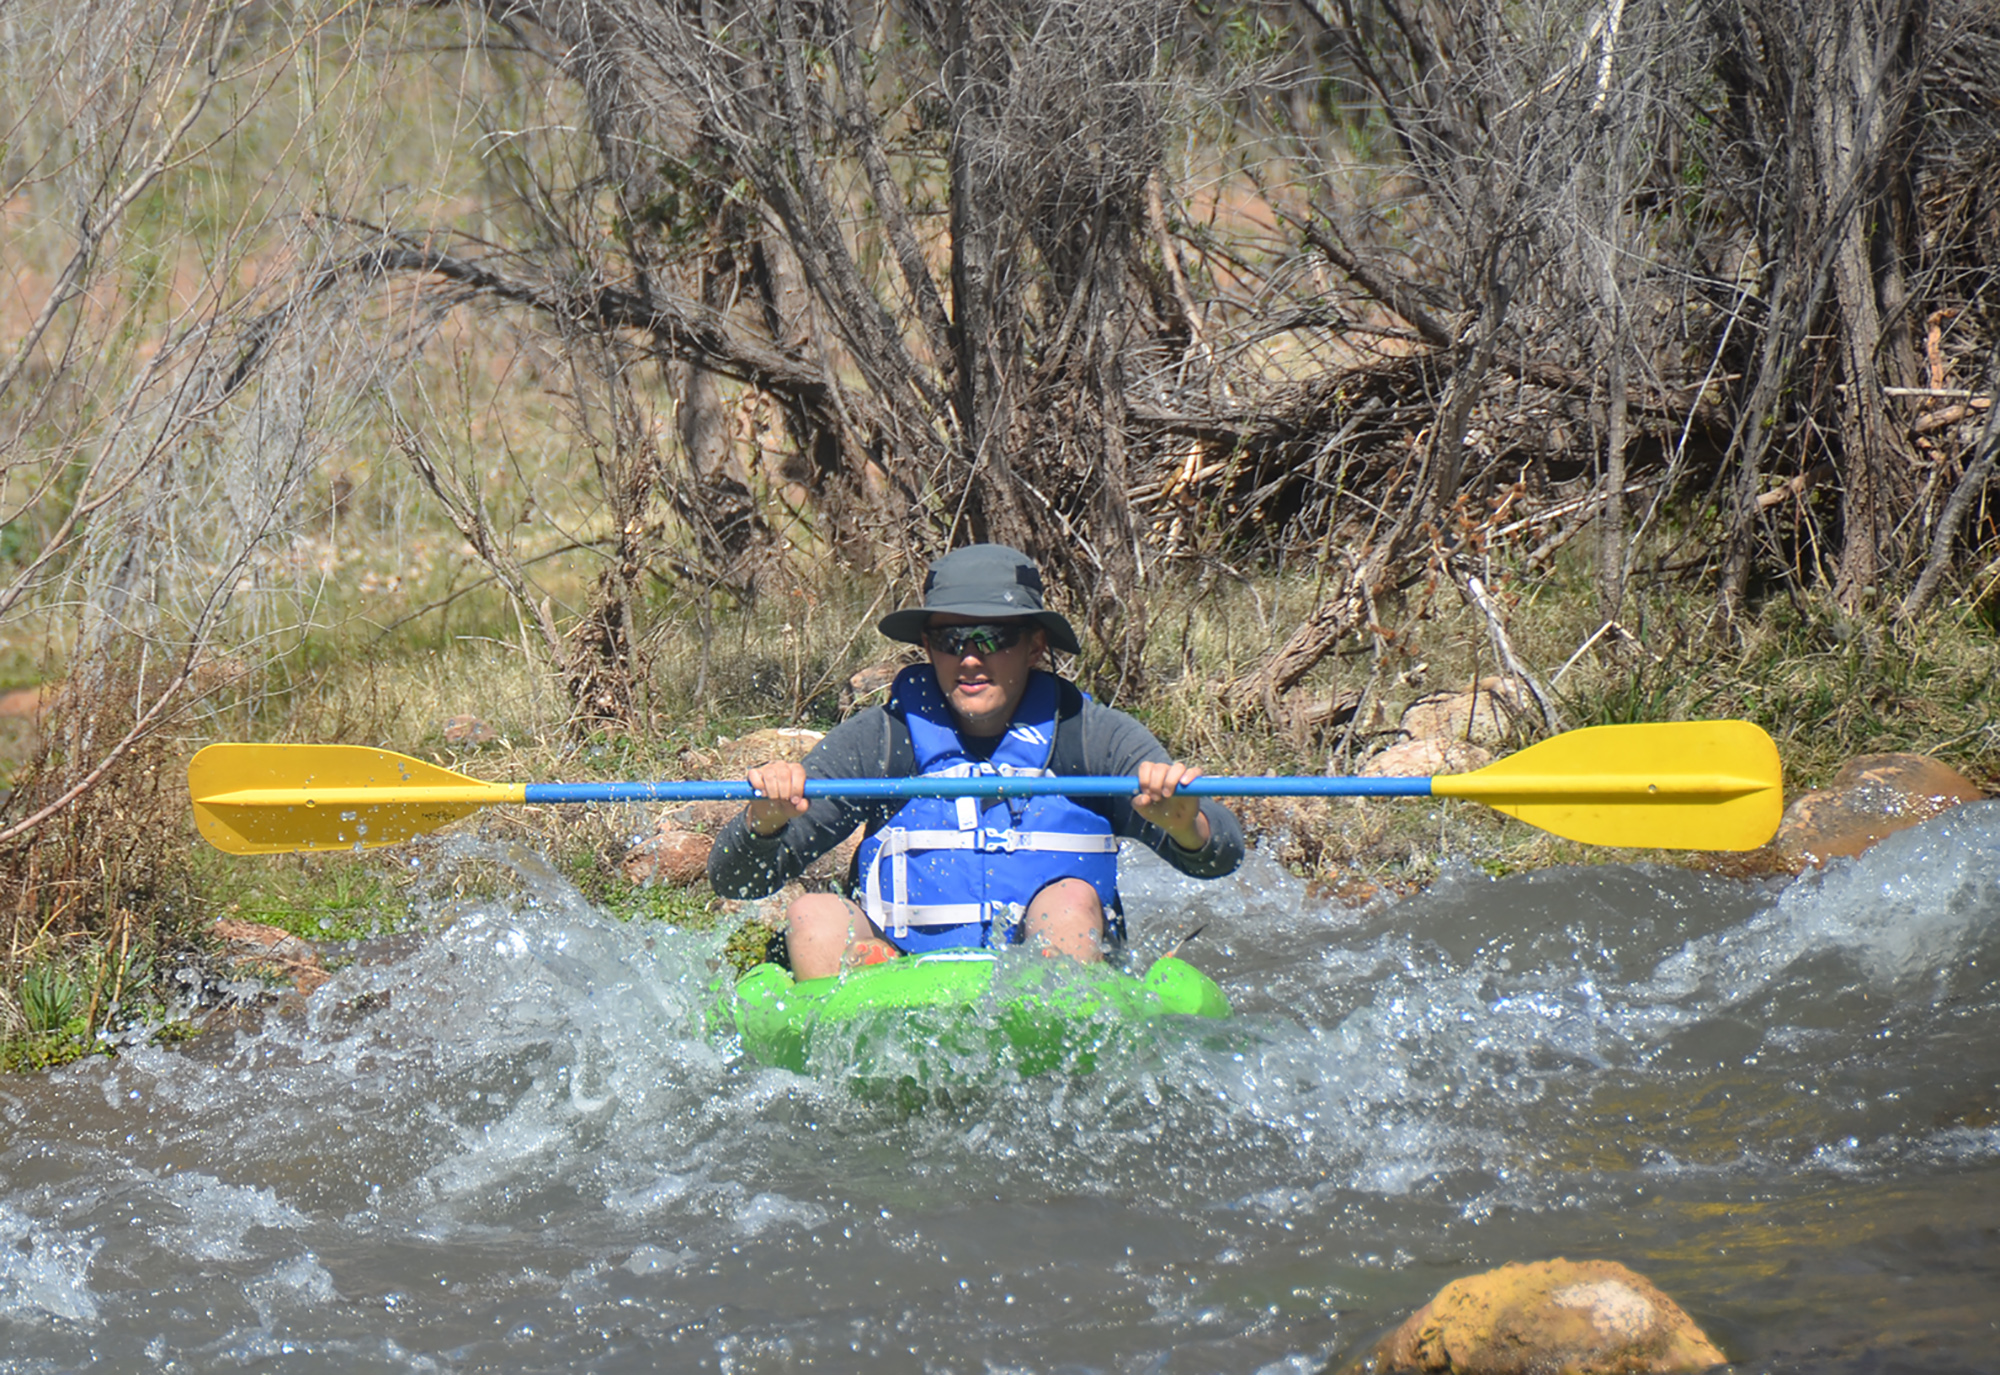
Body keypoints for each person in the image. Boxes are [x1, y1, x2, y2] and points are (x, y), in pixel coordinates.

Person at [707, 544, 1244, 980]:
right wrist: (763, 824)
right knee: (813, 915)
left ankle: (1062, 1032)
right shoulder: (880, 740)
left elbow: (1221, 856)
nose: (969, 658)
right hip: (901, 981)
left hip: (1044, 981)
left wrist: (1185, 827)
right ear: (928, 645)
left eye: (993, 637)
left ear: (1035, 646)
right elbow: (736, 881)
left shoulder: (1093, 737)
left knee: (1069, 903)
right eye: (951, 639)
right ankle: (845, 1043)